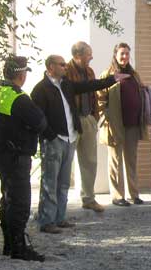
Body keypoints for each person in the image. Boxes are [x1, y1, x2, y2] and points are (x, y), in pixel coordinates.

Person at [32, 54, 124, 233]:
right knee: (50, 183)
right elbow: (38, 118)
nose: (65, 66)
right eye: (61, 64)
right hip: (54, 141)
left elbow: (88, 86)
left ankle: (59, 218)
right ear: (51, 67)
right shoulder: (41, 89)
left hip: (70, 138)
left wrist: (112, 79)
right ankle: (46, 221)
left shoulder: (66, 84)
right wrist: (50, 136)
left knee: (64, 182)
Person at [0, 56, 55, 261]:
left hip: (3, 155)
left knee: (8, 200)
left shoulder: (0, 94)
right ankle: (19, 249)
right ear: (21, 75)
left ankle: (9, 245)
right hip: (17, 156)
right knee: (20, 203)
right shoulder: (19, 98)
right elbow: (40, 122)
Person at [97, 42, 149, 207]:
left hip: (132, 124)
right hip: (115, 125)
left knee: (131, 160)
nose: (125, 56)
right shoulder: (108, 74)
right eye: (122, 54)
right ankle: (118, 196)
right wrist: (106, 116)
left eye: (127, 53)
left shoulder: (134, 74)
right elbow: (99, 99)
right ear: (115, 55)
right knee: (115, 161)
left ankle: (134, 194)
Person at [65, 41, 106, 213]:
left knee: (90, 161)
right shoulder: (65, 71)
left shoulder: (89, 71)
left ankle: (89, 198)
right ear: (78, 55)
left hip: (88, 119)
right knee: (65, 163)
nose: (92, 57)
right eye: (88, 54)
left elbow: (94, 93)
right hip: (71, 121)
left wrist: (94, 117)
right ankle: (59, 203)